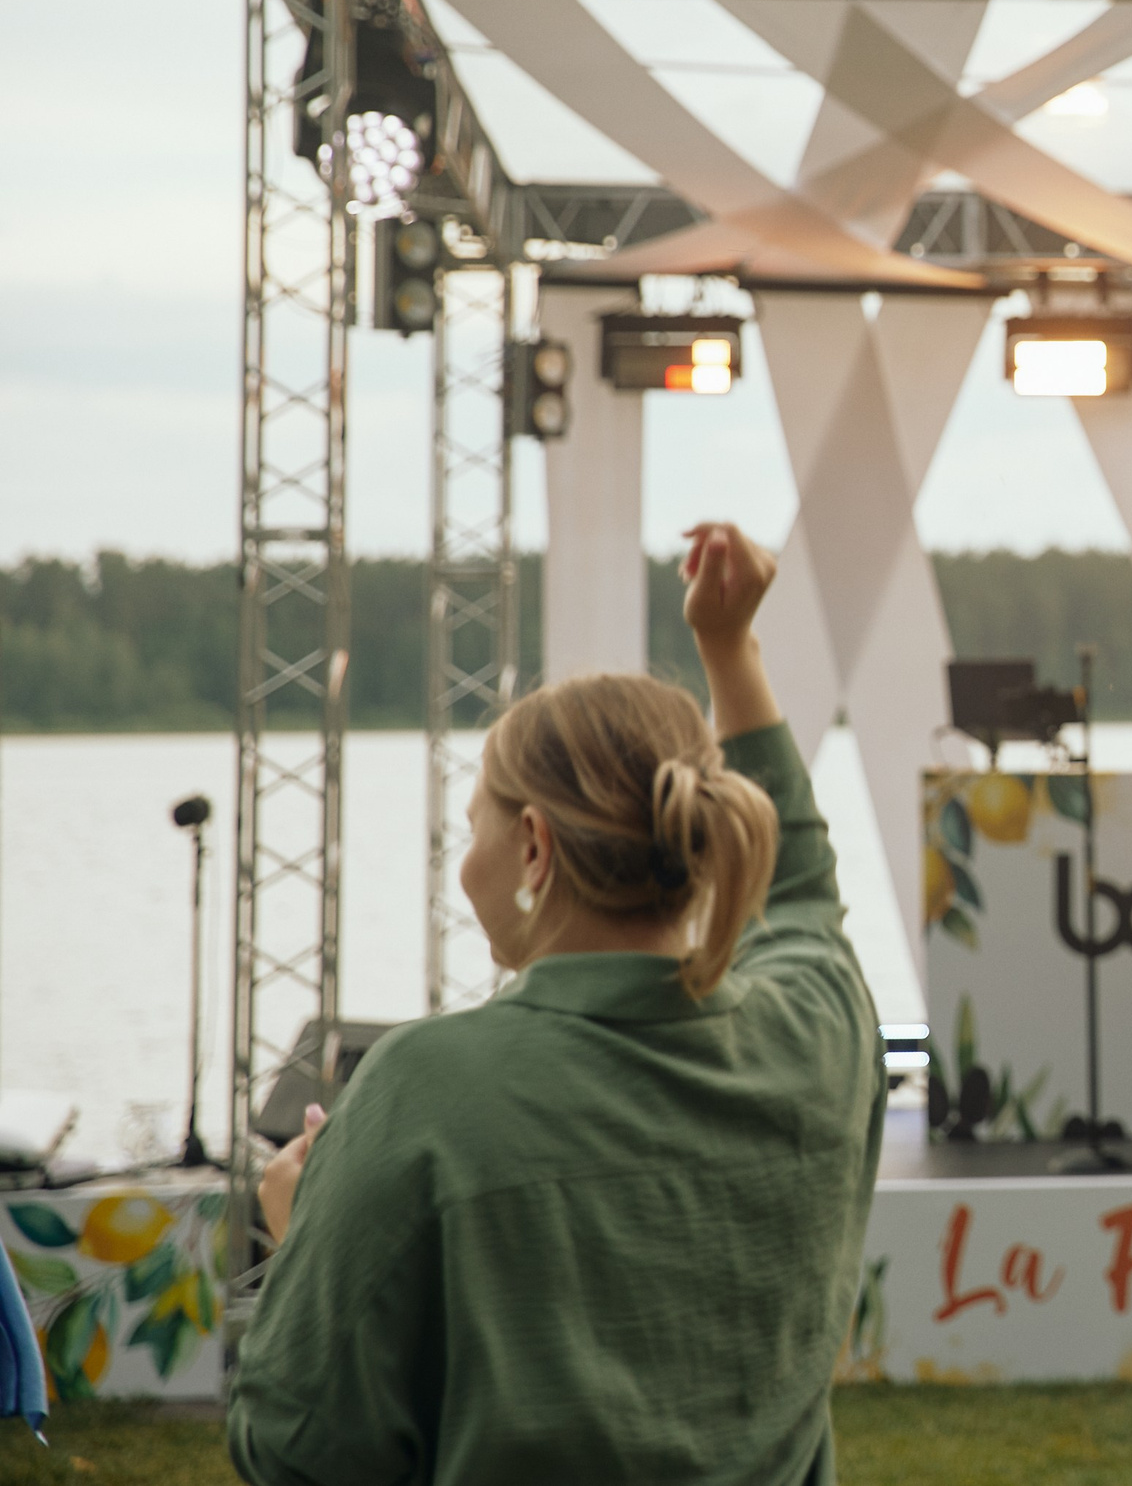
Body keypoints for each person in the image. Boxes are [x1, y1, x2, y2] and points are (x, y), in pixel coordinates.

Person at [229, 523, 883, 1486]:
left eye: (476, 829)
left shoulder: (427, 1089)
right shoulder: (816, 1037)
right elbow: (801, 892)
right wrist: (730, 646)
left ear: (535, 846)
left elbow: (298, 1451)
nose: (466, 864)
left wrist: (302, 1244)